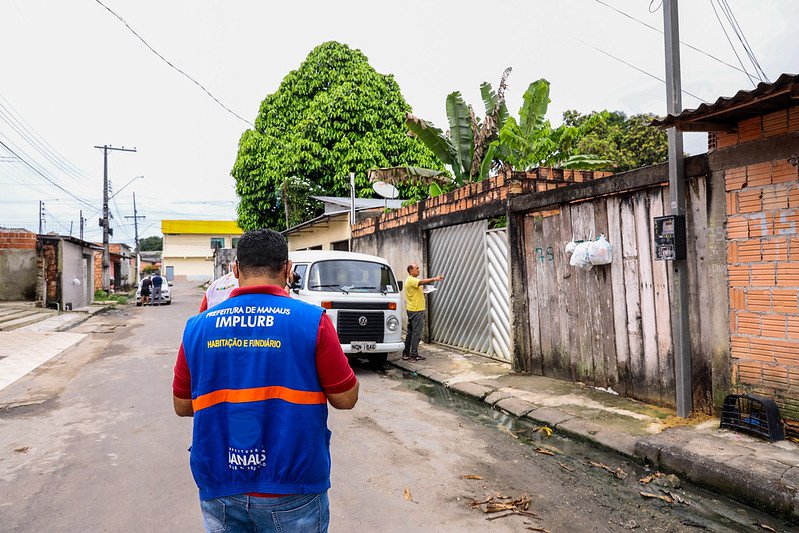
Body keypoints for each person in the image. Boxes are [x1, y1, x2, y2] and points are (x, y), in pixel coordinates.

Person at [173, 229, 359, 533]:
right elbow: (346, 398)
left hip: (221, 484)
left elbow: (182, 405)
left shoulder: (197, 327)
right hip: (293, 486)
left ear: (235, 269)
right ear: (287, 270)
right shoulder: (313, 321)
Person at [199, 269, 300, 313]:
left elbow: (201, 315)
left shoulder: (215, 285)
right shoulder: (260, 281)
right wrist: (287, 283)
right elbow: (283, 309)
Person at [402, 263, 444, 362]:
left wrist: (424, 292)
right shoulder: (412, 280)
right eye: (417, 268)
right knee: (416, 333)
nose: (419, 270)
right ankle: (413, 355)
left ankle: (406, 353)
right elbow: (422, 282)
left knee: (410, 333)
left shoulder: (410, 280)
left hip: (412, 309)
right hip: (416, 310)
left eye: (419, 268)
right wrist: (435, 279)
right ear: (411, 271)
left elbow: (415, 292)